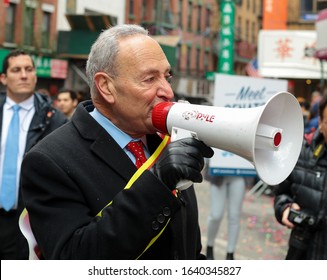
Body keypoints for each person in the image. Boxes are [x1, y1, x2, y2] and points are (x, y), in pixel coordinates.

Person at [20, 24, 214, 260]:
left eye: (167, 77)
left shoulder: (165, 140)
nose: (167, 91)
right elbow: (74, 258)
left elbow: (188, 248)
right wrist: (158, 183)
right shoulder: (49, 160)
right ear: (106, 87)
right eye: (149, 79)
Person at [0, 50, 67, 260]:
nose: (23, 75)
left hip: (28, 216)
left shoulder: (54, 119)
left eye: (29, 69)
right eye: (16, 70)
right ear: (3, 78)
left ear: (35, 75)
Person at [274, 93, 327, 260]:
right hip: (301, 252)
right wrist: (284, 208)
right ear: (321, 123)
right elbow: (281, 192)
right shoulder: (301, 150)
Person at [205, 174, 246, 260]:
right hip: (218, 174)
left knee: (234, 216)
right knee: (215, 215)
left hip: (239, 174)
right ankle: (209, 246)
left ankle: (230, 253)